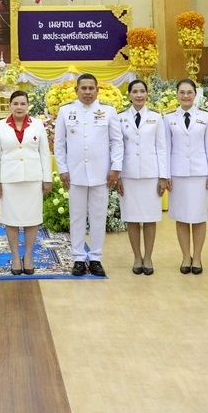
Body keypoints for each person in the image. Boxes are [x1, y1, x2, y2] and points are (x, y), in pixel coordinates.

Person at [54, 73, 123, 277]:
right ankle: (78, 257)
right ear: (76, 90)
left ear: (97, 90)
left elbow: (117, 141)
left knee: (98, 216)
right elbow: (59, 144)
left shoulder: (108, 111)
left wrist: (116, 168)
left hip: (101, 173)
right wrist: (63, 169)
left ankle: (95, 258)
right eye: (83, 88)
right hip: (74, 173)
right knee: (76, 216)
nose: (87, 92)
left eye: (91, 88)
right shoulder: (66, 111)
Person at [0, 90, 52, 275]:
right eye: (15, 103)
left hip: (33, 179)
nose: (19, 107)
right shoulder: (0, 126)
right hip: (9, 180)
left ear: (28, 106)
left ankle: (29, 256)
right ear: (10, 105)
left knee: (32, 219)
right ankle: (16, 257)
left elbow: (44, 153)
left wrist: (47, 179)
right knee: (11, 220)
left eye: (23, 103)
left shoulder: (38, 125)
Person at [165, 78, 208, 275]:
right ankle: (186, 256)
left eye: (189, 92)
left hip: (199, 173)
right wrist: (166, 175)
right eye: (182, 92)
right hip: (177, 173)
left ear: (195, 94)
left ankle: (198, 257)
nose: (185, 96)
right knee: (182, 217)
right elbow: (166, 148)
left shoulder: (206, 117)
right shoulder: (169, 118)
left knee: (199, 217)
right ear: (177, 94)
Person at [118, 79, 169, 275]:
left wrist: (163, 176)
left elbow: (162, 148)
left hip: (150, 175)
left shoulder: (156, 118)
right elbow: (117, 148)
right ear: (129, 95)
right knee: (131, 218)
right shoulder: (120, 117)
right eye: (135, 92)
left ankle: (148, 257)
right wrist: (117, 175)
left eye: (142, 91)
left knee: (150, 218)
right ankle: (137, 257)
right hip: (128, 175)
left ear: (147, 94)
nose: (139, 95)